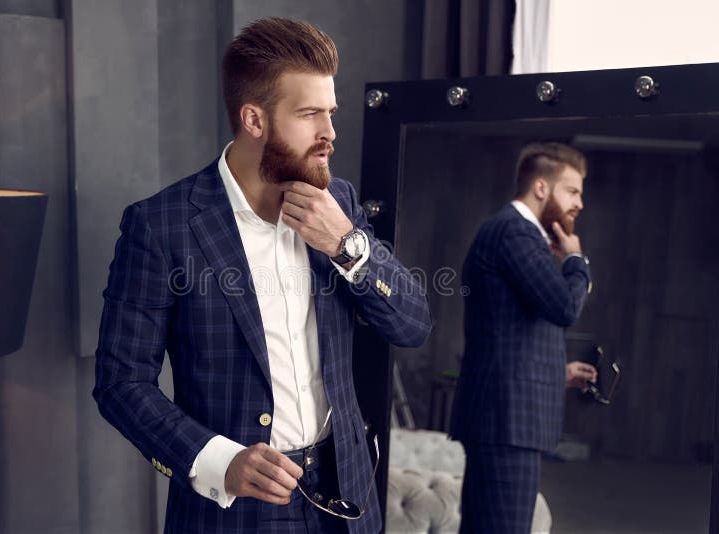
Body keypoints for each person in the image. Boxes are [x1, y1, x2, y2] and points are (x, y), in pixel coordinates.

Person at [92, 17, 431, 534]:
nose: (330, 134)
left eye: (331, 113)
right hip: (235, 511)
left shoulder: (336, 203)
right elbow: (121, 382)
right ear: (254, 119)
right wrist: (218, 461)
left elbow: (412, 324)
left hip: (348, 496)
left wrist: (347, 246)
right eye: (310, 114)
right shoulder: (161, 227)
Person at [450, 142, 595, 533]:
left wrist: (555, 372)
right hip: (505, 422)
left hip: (505, 419)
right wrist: (576, 262)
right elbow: (564, 307)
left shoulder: (514, 233)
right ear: (542, 188)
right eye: (573, 191)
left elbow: (508, 328)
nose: (580, 203)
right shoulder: (514, 231)